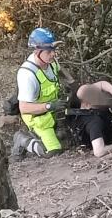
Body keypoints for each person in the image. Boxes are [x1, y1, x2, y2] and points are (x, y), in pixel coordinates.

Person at [11, 27, 73, 160]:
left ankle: (57, 131)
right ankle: (22, 139)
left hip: (53, 112)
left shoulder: (51, 62)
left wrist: (73, 84)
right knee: (52, 151)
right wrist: (49, 106)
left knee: (70, 139)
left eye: (53, 50)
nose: (53, 54)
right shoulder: (27, 74)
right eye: (49, 51)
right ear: (38, 51)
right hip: (37, 118)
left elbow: (60, 70)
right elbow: (24, 108)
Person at [64, 82, 112, 158]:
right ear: (87, 104)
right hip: (97, 134)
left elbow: (102, 84)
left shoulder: (78, 98)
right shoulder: (94, 122)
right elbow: (99, 152)